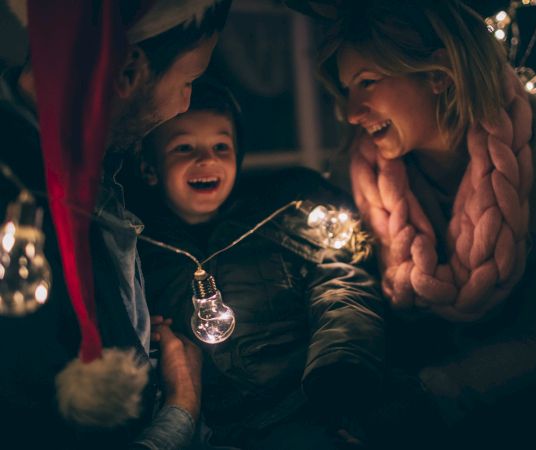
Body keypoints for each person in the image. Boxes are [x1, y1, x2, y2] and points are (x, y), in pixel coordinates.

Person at [289, 0, 536, 443]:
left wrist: (417, 399)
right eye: (347, 89)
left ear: (438, 75)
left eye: (368, 82)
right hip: (408, 391)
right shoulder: (359, 173)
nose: (352, 111)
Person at [0, 1, 231, 448]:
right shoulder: (21, 223)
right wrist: (183, 403)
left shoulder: (83, 175)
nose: (184, 105)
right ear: (127, 70)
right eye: (188, 82)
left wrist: (133, 333)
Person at [134, 80, 386, 449]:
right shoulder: (140, 251)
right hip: (215, 429)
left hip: (305, 409)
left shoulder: (280, 218)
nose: (207, 159)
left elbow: (340, 284)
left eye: (221, 146)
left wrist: (339, 367)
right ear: (149, 168)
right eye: (184, 147)